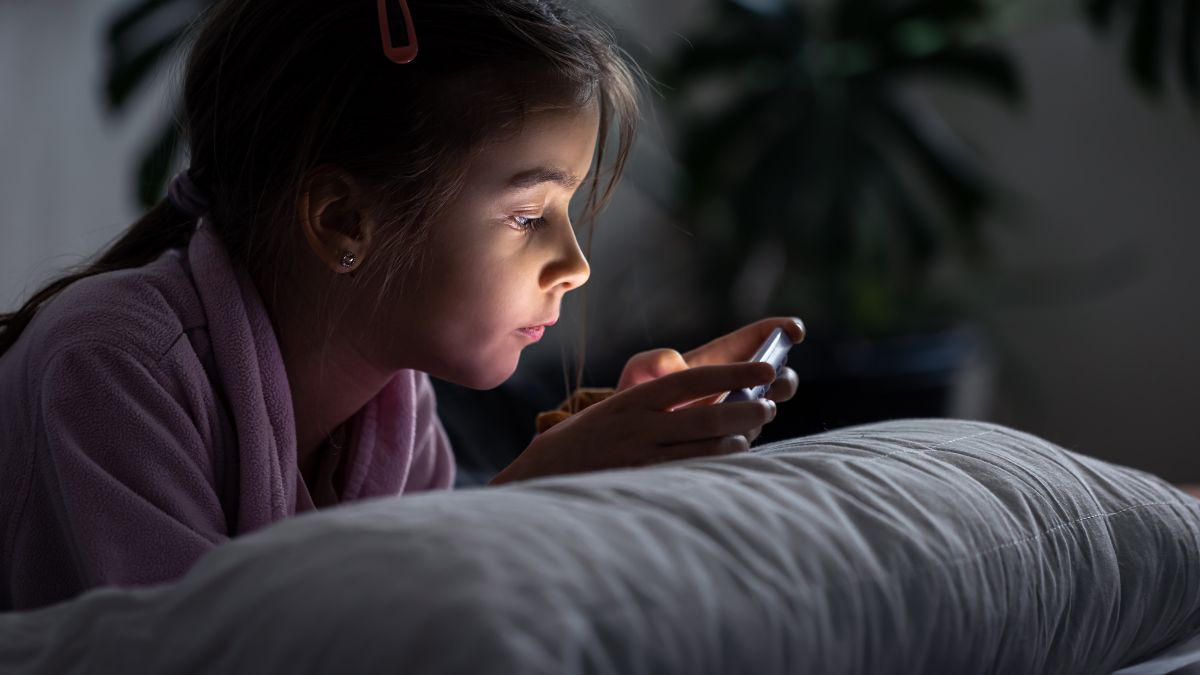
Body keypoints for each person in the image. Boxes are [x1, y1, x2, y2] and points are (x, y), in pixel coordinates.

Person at [0, 0, 804, 611]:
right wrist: (529, 503)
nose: (576, 265)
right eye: (529, 217)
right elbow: (196, 650)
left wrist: (600, 470)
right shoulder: (114, 365)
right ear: (344, 220)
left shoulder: (395, 405)